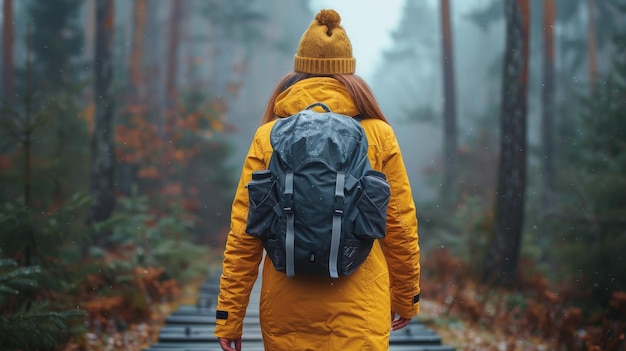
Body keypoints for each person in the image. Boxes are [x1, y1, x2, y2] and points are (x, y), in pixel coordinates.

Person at [214, 9, 421, 351]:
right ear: (349, 74)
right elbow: (399, 225)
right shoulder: (378, 134)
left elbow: (244, 234)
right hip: (360, 305)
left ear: (299, 71)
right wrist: (406, 298)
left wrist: (229, 316)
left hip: (286, 306)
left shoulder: (269, 136)